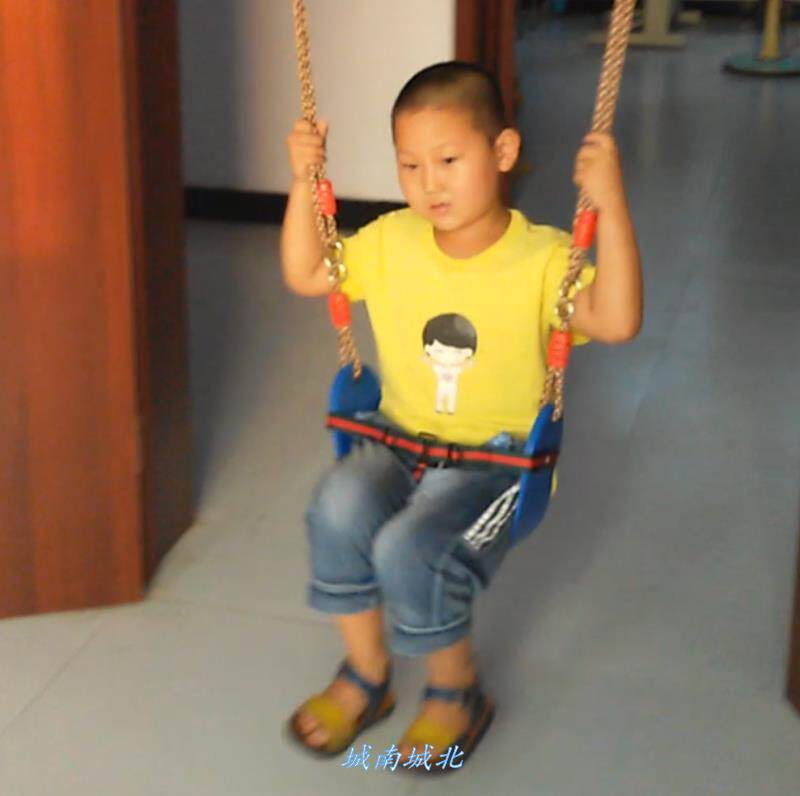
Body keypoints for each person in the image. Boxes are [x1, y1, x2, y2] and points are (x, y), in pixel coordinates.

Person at [280, 61, 642, 771]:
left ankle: (456, 691)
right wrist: (301, 181)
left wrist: (612, 203)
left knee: (410, 548)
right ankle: (368, 675)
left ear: (502, 152)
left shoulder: (544, 260)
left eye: (449, 160)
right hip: (402, 444)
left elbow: (619, 320)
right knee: (337, 505)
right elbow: (307, 273)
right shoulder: (391, 240)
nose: (429, 183)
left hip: (498, 468)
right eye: (410, 165)